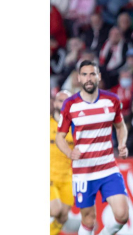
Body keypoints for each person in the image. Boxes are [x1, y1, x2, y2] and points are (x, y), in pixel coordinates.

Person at [56, 60, 130, 235]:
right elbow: (60, 137)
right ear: (79, 79)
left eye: (92, 74)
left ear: (99, 77)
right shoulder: (70, 104)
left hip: (108, 167)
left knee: (122, 215)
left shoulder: (111, 100)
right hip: (83, 171)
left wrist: (122, 143)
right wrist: (69, 152)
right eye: (84, 74)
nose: (89, 78)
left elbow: (121, 126)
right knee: (88, 220)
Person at [50, 90, 74, 235]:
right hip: (49, 175)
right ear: (54, 103)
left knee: (63, 216)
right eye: (60, 100)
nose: (63, 103)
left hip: (67, 177)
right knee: (55, 209)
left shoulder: (77, 128)